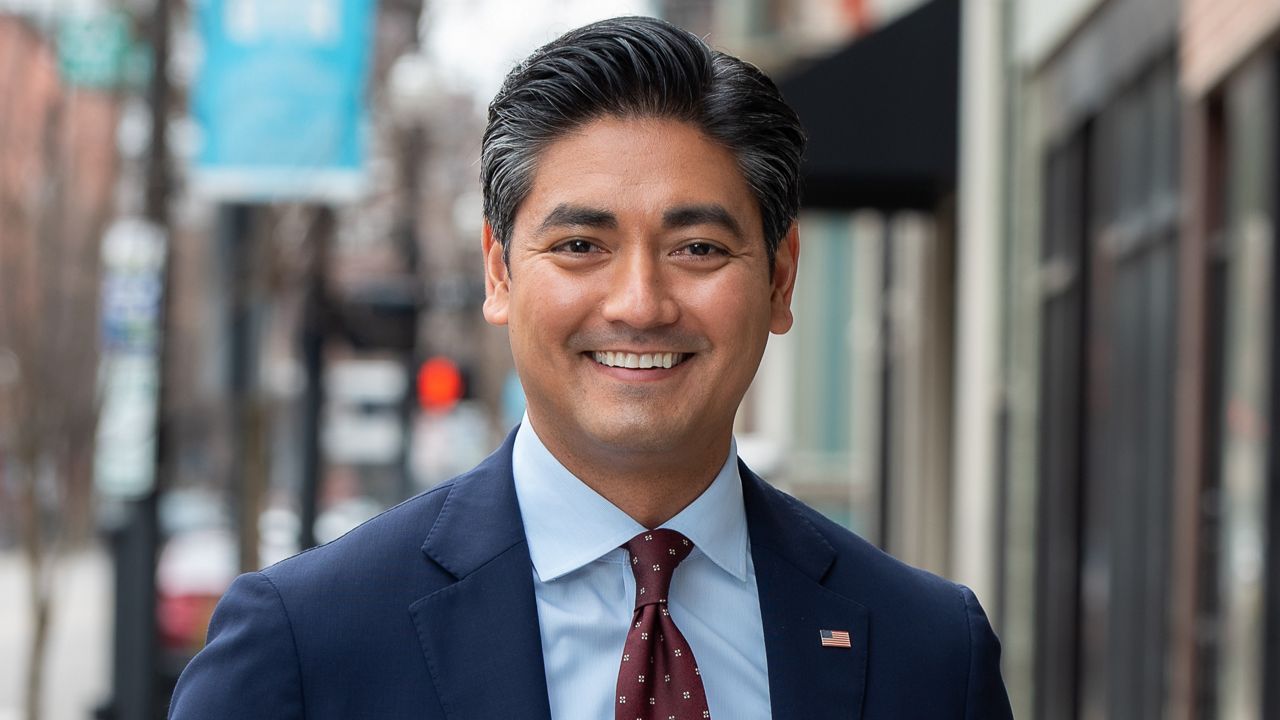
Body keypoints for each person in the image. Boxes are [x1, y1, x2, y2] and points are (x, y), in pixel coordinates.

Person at [170, 16, 1013, 720]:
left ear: (781, 279)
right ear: (499, 273)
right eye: (581, 246)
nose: (640, 303)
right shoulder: (308, 644)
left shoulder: (931, 651)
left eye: (698, 248)